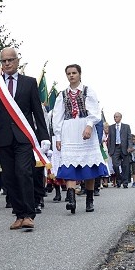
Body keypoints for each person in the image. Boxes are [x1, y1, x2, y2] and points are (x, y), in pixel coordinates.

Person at [0, 47, 51, 230]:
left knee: (24, 172)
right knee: (9, 177)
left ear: (17, 61)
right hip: (2, 137)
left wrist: (44, 137)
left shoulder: (29, 83)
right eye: (3, 61)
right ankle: (19, 214)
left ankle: (29, 214)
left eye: (10, 60)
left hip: (23, 137)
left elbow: (38, 112)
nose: (7, 63)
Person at [51, 64, 108, 213]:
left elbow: (95, 112)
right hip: (69, 130)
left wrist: (89, 125)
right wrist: (58, 137)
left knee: (88, 165)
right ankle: (71, 198)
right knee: (70, 164)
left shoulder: (88, 91)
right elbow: (57, 117)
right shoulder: (62, 95)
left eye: (74, 73)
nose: (71, 75)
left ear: (80, 74)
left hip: (85, 127)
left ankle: (89, 199)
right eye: (69, 73)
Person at [108, 112, 132, 188]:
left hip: (124, 147)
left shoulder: (126, 126)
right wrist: (109, 150)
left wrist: (129, 147)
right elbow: (109, 139)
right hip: (115, 148)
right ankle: (119, 179)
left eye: (117, 117)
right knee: (115, 165)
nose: (115, 118)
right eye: (114, 117)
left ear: (120, 117)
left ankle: (125, 182)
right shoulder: (111, 127)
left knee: (125, 166)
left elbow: (129, 138)